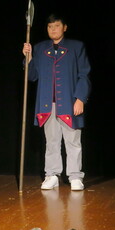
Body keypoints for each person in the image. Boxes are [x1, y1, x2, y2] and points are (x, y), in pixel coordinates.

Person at [22, 13, 91, 190]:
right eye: (50, 27)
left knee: (73, 142)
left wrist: (80, 99)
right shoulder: (40, 48)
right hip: (47, 104)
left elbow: (84, 74)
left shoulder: (76, 47)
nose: (53, 29)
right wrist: (28, 58)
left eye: (57, 26)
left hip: (69, 103)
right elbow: (32, 76)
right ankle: (52, 175)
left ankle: (75, 176)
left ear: (64, 27)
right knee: (52, 142)